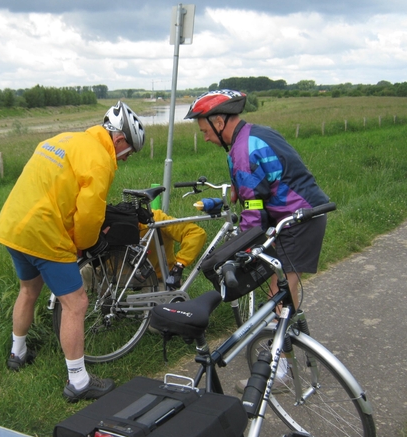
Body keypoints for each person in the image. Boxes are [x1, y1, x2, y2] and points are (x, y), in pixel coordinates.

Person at [0, 101, 145, 402]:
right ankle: (78, 381)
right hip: (44, 232)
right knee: (76, 303)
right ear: (119, 140)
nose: (125, 159)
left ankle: (17, 353)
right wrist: (88, 243)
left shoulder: (63, 139)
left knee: (28, 290)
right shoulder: (100, 159)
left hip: (13, 226)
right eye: (128, 152)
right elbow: (89, 217)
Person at [185, 89, 330, 393]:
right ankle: (287, 345)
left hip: (299, 220)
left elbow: (253, 216)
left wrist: (243, 250)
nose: (206, 138)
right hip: (297, 214)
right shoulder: (251, 135)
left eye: (205, 131)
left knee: (282, 292)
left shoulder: (242, 150)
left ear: (220, 121)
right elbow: (263, 182)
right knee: (280, 289)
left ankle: (280, 369)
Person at [139, 209, 206, 290]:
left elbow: (195, 233)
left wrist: (179, 264)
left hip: (155, 280)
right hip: (124, 282)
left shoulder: (156, 219)